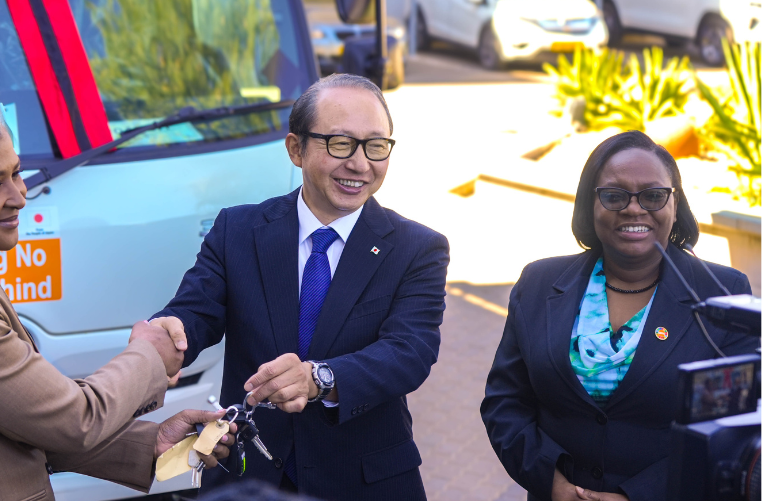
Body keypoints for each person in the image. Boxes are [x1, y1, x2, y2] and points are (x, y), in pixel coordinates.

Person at [0, 86, 232, 500]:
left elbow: (22, 418)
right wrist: (150, 352)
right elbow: (73, 420)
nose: (19, 196)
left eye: (16, 173)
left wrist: (148, 443)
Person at [151, 74, 450, 500]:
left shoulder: (417, 248)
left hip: (366, 481)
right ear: (296, 148)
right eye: (340, 143)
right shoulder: (238, 230)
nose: (361, 164)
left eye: (376, 145)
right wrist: (164, 336)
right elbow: (193, 313)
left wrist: (320, 378)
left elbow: (409, 351)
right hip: (247, 475)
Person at [480, 130, 757, 501]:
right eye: (614, 195)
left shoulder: (722, 292)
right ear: (589, 205)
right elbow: (505, 401)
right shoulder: (539, 283)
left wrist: (641, 496)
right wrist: (553, 483)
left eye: (654, 195)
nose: (633, 208)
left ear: (676, 206)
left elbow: (732, 428)